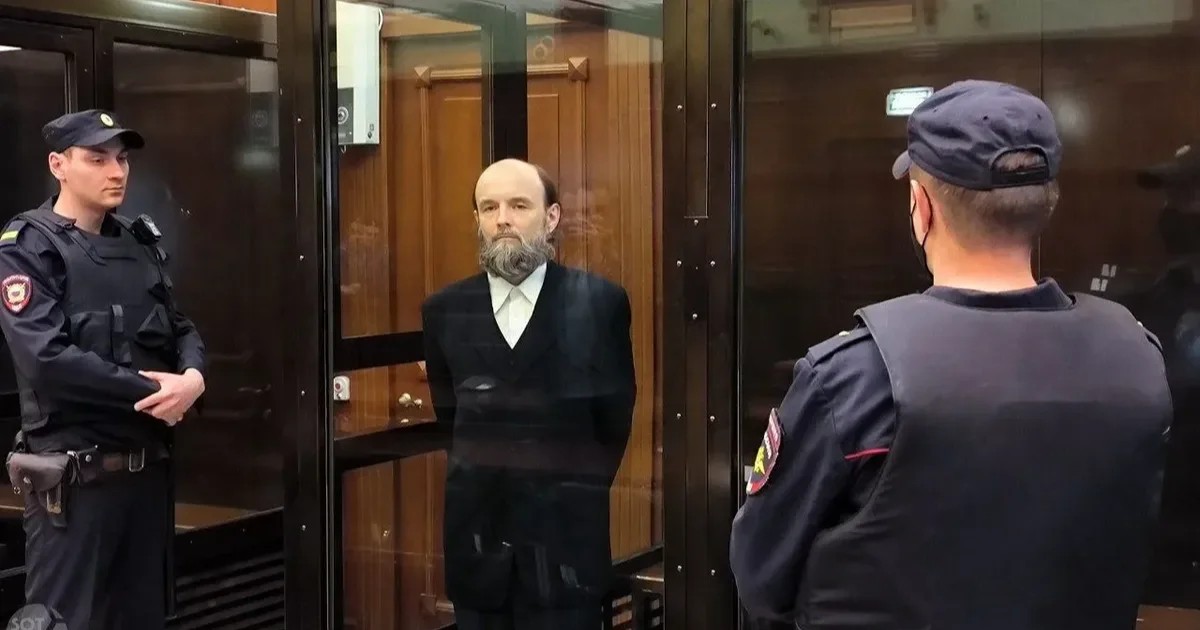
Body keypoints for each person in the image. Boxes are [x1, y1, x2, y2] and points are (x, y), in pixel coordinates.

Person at [729, 80, 1172, 630]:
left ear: (922, 207)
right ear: (1047, 205)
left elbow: (761, 575)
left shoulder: (856, 378)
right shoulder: (1138, 358)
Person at [0, 109, 205, 629]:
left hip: (145, 481)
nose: (116, 172)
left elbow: (179, 327)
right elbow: (46, 360)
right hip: (74, 489)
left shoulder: (138, 241)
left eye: (122, 159)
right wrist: (152, 392)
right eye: (97, 159)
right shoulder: (29, 247)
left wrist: (193, 379)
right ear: (58, 165)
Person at [421, 158, 635, 630]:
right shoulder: (444, 311)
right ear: (477, 219)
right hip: (478, 550)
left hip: (566, 551)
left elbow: (613, 422)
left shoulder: (599, 304)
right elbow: (450, 420)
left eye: (519, 206)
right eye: (489, 207)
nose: (503, 219)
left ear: (551, 217)